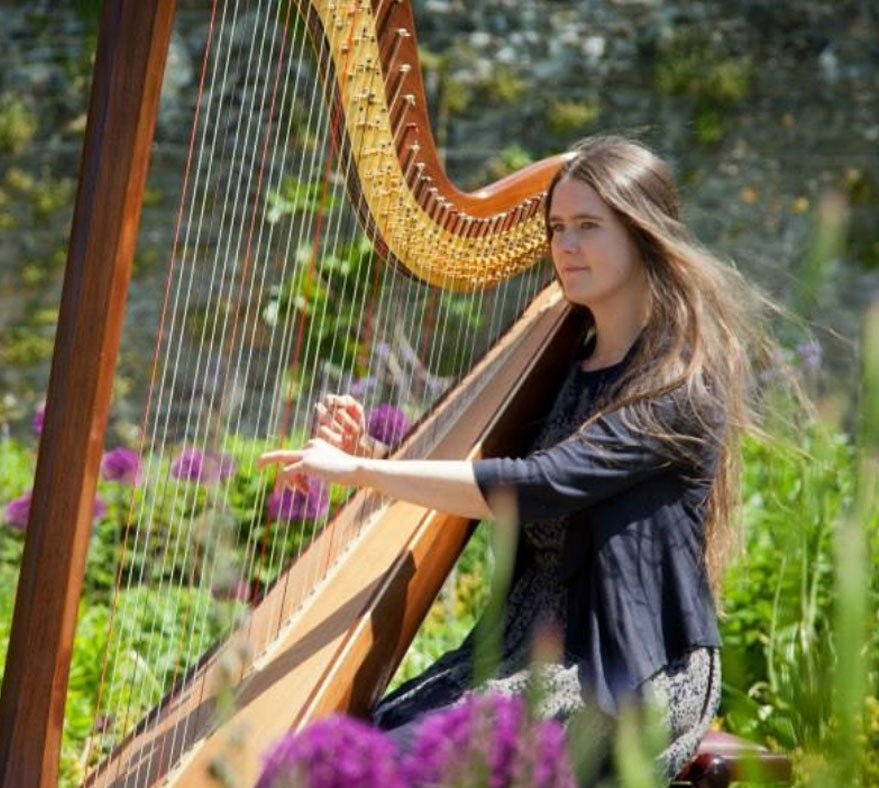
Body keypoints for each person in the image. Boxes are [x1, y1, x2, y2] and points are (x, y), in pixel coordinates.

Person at [258, 134, 782, 781]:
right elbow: (499, 472)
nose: (565, 245)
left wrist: (365, 474)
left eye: (589, 226)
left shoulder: (678, 388)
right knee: (346, 753)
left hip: (621, 672)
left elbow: (540, 484)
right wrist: (371, 453)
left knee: (396, 768)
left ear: (644, 234)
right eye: (558, 226)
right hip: (521, 652)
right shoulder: (571, 365)